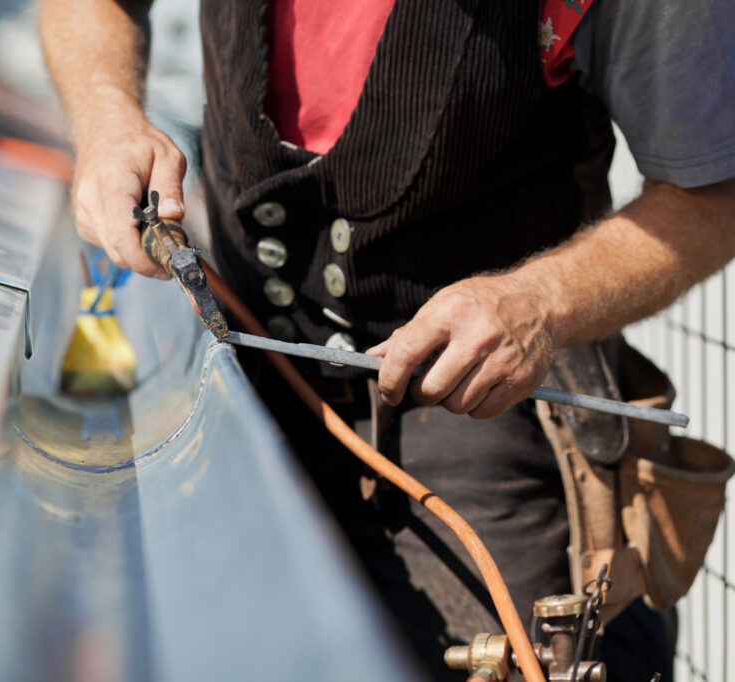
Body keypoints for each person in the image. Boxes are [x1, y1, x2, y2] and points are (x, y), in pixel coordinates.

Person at [39, 1, 735, 679]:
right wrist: (106, 118)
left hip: (479, 410)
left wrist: (539, 302)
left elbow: (711, 198)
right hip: (242, 391)